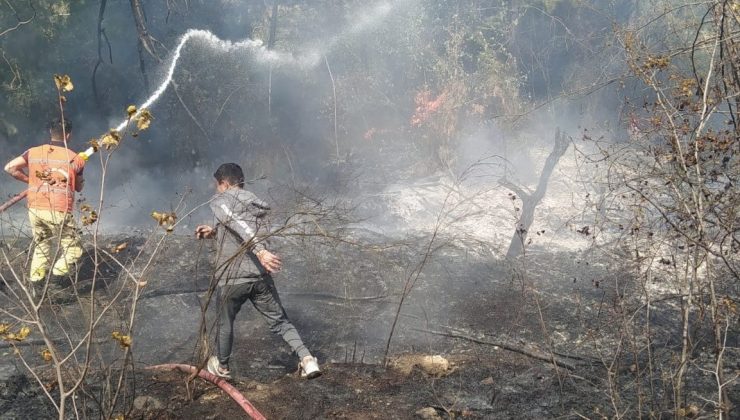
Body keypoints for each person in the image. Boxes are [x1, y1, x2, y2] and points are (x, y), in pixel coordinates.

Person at [195, 163, 321, 380]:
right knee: (281, 322)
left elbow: (238, 224)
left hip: (233, 277)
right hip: (259, 276)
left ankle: (222, 368)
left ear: (224, 183)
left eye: (217, 185)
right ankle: (308, 360)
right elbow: (240, 228)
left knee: (225, 323)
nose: (216, 190)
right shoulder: (254, 203)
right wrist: (214, 233)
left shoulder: (222, 200)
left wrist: (260, 251)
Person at [4, 118, 85, 290]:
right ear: (68, 135)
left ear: (50, 132)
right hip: (58, 209)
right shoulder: (75, 158)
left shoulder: (33, 152)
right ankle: (57, 279)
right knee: (73, 248)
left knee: (42, 243)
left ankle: (37, 285)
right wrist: (78, 173)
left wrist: (30, 180)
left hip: (35, 207)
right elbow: (78, 188)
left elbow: (9, 167)